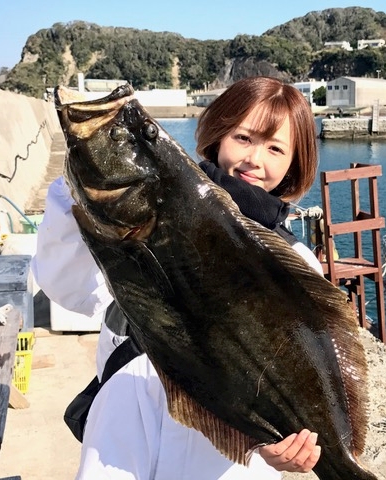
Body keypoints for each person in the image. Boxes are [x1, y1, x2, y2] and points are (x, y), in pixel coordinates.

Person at [31, 76, 323, 479]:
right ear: (219, 136)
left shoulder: (297, 261)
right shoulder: (146, 210)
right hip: (131, 408)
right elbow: (69, 287)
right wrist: (78, 190)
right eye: (243, 138)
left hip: (228, 453)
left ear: (295, 162)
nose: (256, 159)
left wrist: (284, 447)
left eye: (276, 148)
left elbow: (297, 379)